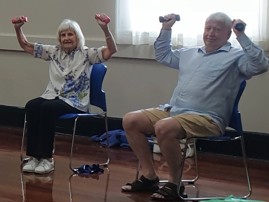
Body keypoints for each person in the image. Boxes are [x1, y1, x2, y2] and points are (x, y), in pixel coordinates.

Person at [121, 12, 268, 201]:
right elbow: (163, 55)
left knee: (164, 127)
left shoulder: (236, 57)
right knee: (131, 120)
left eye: (217, 30)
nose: (211, 33)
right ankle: (150, 176)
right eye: (208, 28)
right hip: (174, 111)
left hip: (207, 118)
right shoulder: (190, 53)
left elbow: (261, 65)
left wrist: (242, 35)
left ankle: (174, 184)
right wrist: (166, 28)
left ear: (228, 34)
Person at [12, 14, 117, 174]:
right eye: (63, 35)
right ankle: (34, 157)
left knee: (47, 108)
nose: (66, 38)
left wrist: (105, 29)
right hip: (52, 96)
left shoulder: (87, 54)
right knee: (32, 106)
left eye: (70, 34)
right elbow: (26, 45)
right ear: (59, 38)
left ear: (77, 36)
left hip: (75, 102)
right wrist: (18, 29)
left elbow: (111, 50)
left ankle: (47, 159)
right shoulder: (54, 52)